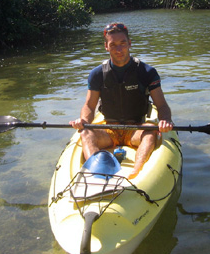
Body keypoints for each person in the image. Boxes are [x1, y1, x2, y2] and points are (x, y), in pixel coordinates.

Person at [70, 22, 173, 179]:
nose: (119, 50)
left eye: (123, 43)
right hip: (109, 130)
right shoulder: (97, 74)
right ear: (106, 46)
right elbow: (89, 106)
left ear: (129, 43)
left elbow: (162, 105)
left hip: (136, 129)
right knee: (85, 132)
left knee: (151, 131)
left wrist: (165, 120)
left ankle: (136, 174)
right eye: (113, 45)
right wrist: (83, 120)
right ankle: (98, 172)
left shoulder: (147, 72)